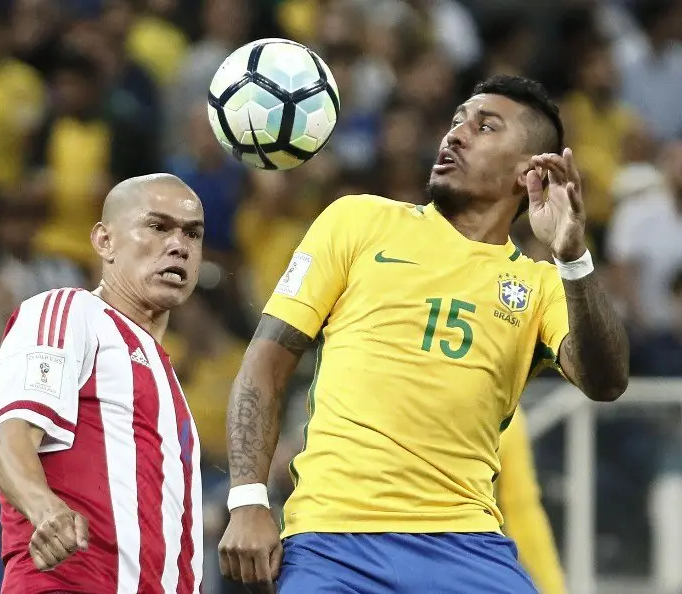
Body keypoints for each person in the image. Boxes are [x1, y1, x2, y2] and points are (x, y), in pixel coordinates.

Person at [218, 74, 629, 593]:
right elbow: (266, 362)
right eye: (457, 120)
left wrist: (573, 258)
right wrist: (248, 499)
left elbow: (607, 381)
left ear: (530, 172)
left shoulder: (542, 285)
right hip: (333, 541)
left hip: (467, 544)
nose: (455, 134)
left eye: (485, 126)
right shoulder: (359, 221)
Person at [0, 174, 205, 593]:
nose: (179, 245)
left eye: (192, 233)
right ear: (104, 241)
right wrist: (45, 509)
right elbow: (9, 439)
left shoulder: (166, 379)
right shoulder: (70, 311)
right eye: (158, 227)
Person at [497, 409, 566, 594]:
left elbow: (521, 510)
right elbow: (521, 509)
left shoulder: (508, 416)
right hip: (465, 553)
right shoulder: (505, 412)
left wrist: (553, 587)